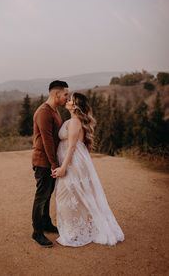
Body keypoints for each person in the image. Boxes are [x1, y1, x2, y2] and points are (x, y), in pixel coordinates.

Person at [52, 92, 125, 247]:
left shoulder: (74, 122)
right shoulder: (74, 120)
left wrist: (63, 168)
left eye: (70, 100)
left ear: (76, 105)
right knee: (75, 196)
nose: (68, 101)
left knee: (65, 196)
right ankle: (78, 229)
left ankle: (74, 232)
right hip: (75, 162)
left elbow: (71, 147)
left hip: (73, 164)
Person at [31, 80, 69, 247]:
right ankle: (37, 232)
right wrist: (55, 165)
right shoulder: (43, 112)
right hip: (43, 162)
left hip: (50, 161)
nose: (67, 97)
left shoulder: (55, 110)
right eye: (65, 94)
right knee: (41, 197)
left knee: (47, 196)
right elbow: (47, 141)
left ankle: (46, 224)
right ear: (56, 94)